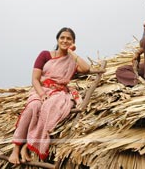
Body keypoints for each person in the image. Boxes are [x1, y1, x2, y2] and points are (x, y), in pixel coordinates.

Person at [8, 27, 91, 165]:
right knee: (33, 106)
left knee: (49, 109)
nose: (65, 40)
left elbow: (86, 68)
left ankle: (27, 146)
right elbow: (35, 79)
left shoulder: (71, 60)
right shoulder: (45, 55)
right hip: (41, 90)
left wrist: (71, 52)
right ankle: (16, 149)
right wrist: (41, 95)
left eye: (69, 39)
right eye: (62, 38)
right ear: (57, 40)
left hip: (58, 94)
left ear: (73, 42)